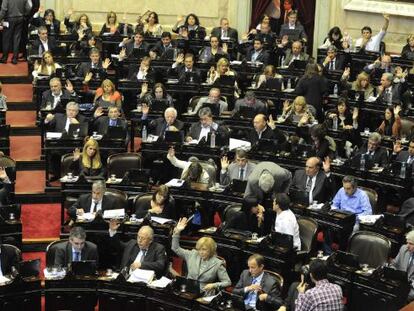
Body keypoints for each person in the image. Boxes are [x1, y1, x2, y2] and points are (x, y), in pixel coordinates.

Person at [172, 217, 231, 294]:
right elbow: (175, 248)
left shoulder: (218, 263)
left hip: (204, 292)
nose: (201, 252)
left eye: (204, 249)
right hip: (188, 289)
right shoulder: (192, 254)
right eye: (199, 249)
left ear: (211, 250)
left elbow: (227, 282)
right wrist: (177, 232)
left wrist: (214, 285)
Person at [391, 230, 414, 302]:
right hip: (400, 283)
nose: (407, 246)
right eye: (407, 242)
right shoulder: (404, 248)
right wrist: (391, 272)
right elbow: (394, 265)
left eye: (411, 243)